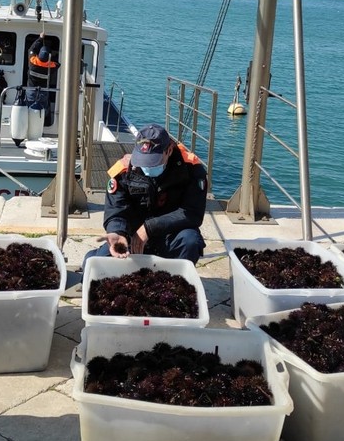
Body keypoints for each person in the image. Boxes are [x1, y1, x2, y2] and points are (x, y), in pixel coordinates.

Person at [83, 124, 208, 267]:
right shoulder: (123, 171)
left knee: (190, 241)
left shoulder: (191, 170)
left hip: (169, 235)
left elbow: (192, 213)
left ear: (169, 150)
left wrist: (149, 228)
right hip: (132, 236)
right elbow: (116, 211)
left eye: (153, 162)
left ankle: (176, 278)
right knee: (94, 263)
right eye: (143, 161)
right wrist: (117, 232)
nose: (147, 166)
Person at [26, 32, 59, 125]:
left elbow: (31, 49)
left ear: (38, 55)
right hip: (43, 92)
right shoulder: (51, 66)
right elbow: (57, 64)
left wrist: (40, 38)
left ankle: (28, 126)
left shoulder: (32, 61)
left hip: (31, 91)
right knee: (42, 111)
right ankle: (42, 126)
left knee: (29, 110)